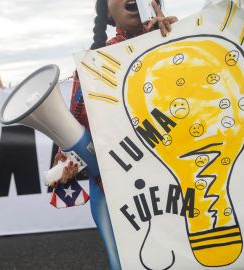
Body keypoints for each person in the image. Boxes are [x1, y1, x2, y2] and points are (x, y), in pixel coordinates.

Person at [51, 1, 177, 269]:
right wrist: (66, 162)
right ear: (106, 12)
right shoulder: (91, 64)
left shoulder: (184, 41)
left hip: (181, 181)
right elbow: (77, 128)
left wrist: (177, 40)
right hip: (113, 193)